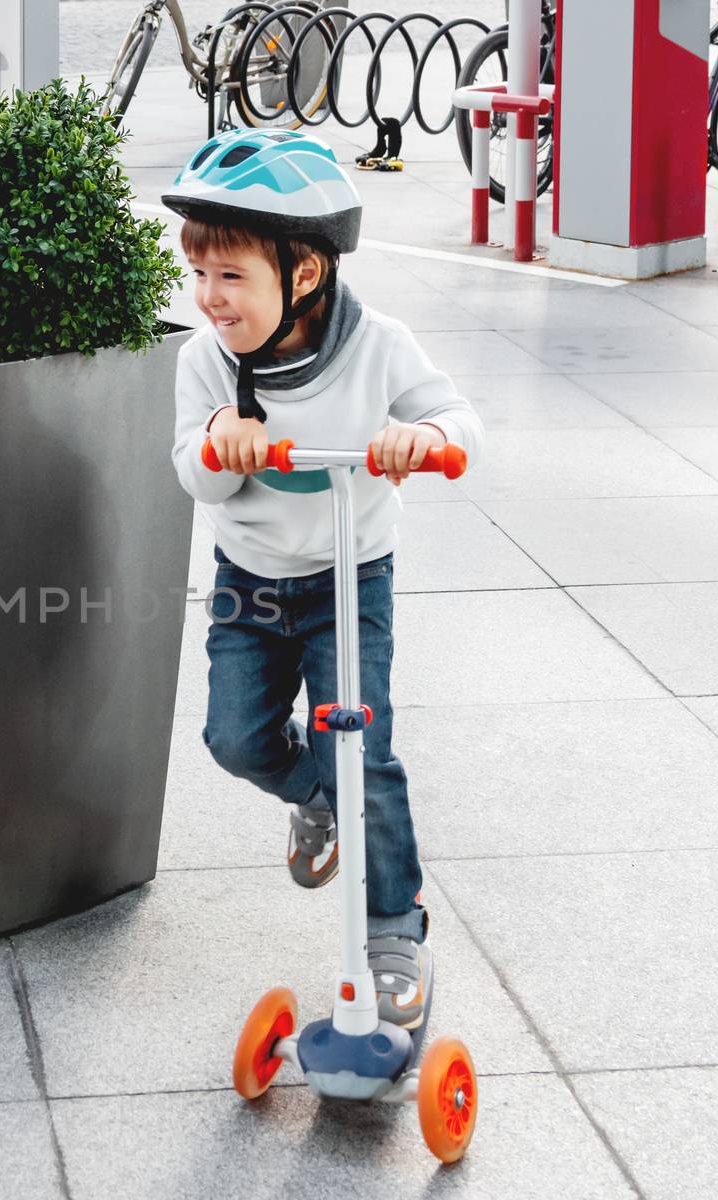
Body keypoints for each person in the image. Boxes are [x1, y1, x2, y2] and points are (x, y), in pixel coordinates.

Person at [164, 129, 484, 1029]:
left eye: (232, 277)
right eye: (201, 275)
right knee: (234, 739)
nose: (209, 299)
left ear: (301, 275)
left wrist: (423, 438)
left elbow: (458, 418)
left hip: (351, 582)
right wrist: (222, 445)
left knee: (365, 753)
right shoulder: (204, 362)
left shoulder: (378, 346)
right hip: (252, 582)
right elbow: (193, 471)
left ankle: (393, 931)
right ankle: (312, 797)